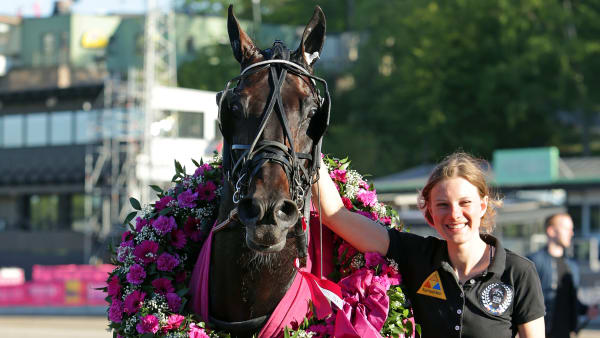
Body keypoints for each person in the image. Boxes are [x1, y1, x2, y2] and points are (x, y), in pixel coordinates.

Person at [312, 152, 545, 338]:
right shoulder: (417, 255)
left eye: (465, 203)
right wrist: (302, 139)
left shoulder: (518, 272)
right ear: (429, 212)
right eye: (443, 205)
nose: (454, 214)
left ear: (482, 206)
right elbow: (335, 215)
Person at [527, 213, 599, 338]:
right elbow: (525, 301)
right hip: (542, 333)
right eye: (567, 229)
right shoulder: (532, 262)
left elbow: (569, 299)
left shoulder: (572, 265)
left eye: (572, 229)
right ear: (551, 231)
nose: (571, 233)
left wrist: (585, 309)